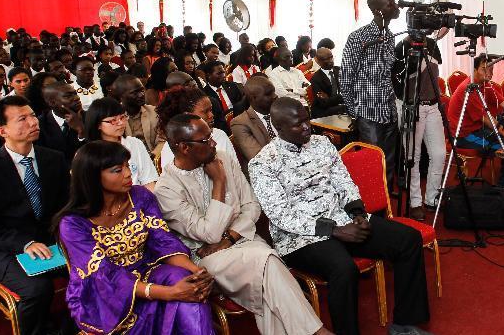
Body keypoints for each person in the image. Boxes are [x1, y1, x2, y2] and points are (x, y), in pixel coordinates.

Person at [250, 98, 431, 335]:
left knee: (408, 240)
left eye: (307, 119)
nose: (307, 127)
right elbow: (281, 215)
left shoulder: (322, 144)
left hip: (342, 218)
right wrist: (334, 230)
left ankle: (405, 324)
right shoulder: (262, 163)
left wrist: (357, 214)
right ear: (279, 128)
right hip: (300, 238)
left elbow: (344, 182)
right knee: (343, 269)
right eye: (298, 124)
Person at [156, 114, 330, 335]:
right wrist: (219, 182)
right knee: (267, 261)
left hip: (243, 241)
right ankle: (318, 332)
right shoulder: (166, 189)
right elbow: (209, 234)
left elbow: (252, 206)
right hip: (208, 260)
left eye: (211, 136)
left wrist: (230, 237)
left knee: (267, 280)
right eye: (205, 140)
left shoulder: (223, 158)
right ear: (184, 148)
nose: (214, 143)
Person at [55, 141, 216, 334]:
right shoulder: (73, 224)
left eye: (127, 165)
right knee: (180, 294)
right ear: (93, 178)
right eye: (117, 170)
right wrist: (168, 293)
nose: (128, 173)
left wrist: (196, 271)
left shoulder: (139, 196)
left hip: (145, 269)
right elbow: (105, 275)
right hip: (104, 294)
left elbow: (162, 240)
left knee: (189, 284)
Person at [0, 96, 70, 335]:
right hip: (8, 249)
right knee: (37, 289)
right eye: (22, 119)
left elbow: (67, 205)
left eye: (33, 115)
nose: (33, 122)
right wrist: (24, 243)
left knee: (92, 268)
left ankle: (76, 325)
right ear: (2, 130)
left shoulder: (52, 159)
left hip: (52, 242)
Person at [340, 0, 401, 189]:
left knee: (388, 162)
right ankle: (372, 210)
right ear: (377, 10)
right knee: (372, 162)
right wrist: (354, 111)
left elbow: (388, 73)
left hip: (388, 109)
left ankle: (386, 207)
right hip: (368, 111)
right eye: (389, 3)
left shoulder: (390, 36)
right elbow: (346, 75)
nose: (395, 6)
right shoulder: (359, 37)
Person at [446, 54, 504, 196]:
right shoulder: (468, 88)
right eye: (485, 69)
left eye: (492, 69)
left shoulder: (484, 84)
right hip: (464, 135)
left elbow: (503, 101)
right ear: (474, 70)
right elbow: (486, 118)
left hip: (477, 129)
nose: (490, 73)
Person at [393, 36, 445, 218]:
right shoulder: (401, 47)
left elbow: (435, 74)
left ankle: (432, 197)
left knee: (439, 154)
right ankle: (415, 201)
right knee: (412, 156)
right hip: (411, 106)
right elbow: (399, 82)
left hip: (432, 106)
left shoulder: (432, 44)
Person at [157, 85, 240, 171]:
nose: (211, 115)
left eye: (211, 110)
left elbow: (235, 173)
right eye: (205, 111)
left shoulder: (219, 136)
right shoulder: (170, 150)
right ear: (188, 116)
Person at [85, 98, 159, 189]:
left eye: (122, 117)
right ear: (98, 124)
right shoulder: (89, 153)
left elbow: (149, 180)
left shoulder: (135, 144)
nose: (120, 123)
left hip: (138, 198)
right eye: (113, 120)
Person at [36, 82, 87, 164]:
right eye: (68, 96)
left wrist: (81, 130)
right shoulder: (40, 124)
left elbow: (94, 153)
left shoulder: (89, 117)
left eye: (75, 93)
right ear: (52, 103)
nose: (77, 98)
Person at [231, 75, 278, 162]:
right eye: (268, 94)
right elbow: (258, 158)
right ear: (253, 98)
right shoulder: (240, 123)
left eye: (274, 92)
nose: (275, 96)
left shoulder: (281, 109)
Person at [110, 74, 161, 152]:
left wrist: (153, 157)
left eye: (142, 90)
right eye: (135, 93)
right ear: (121, 97)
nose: (141, 95)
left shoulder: (154, 112)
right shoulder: (113, 119)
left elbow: (162, 140)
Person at [201, 61, 245, 134]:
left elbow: (242, 104)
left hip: (241, 120)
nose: (224, 75)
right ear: (209, 75)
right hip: (223, 128)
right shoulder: (205, 95)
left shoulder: (233, 86)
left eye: (223, 72)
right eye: (219, 73)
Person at [310, 47, 345, 118]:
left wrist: (330, 98)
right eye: (327, 59)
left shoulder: (340, 70)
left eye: (331, 57)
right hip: (323, 112)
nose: (331, 60)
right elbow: (324, 103)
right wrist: (344, 96)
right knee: (348, 108)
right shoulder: (316, 79)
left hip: (339, 106)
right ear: (319, 62)